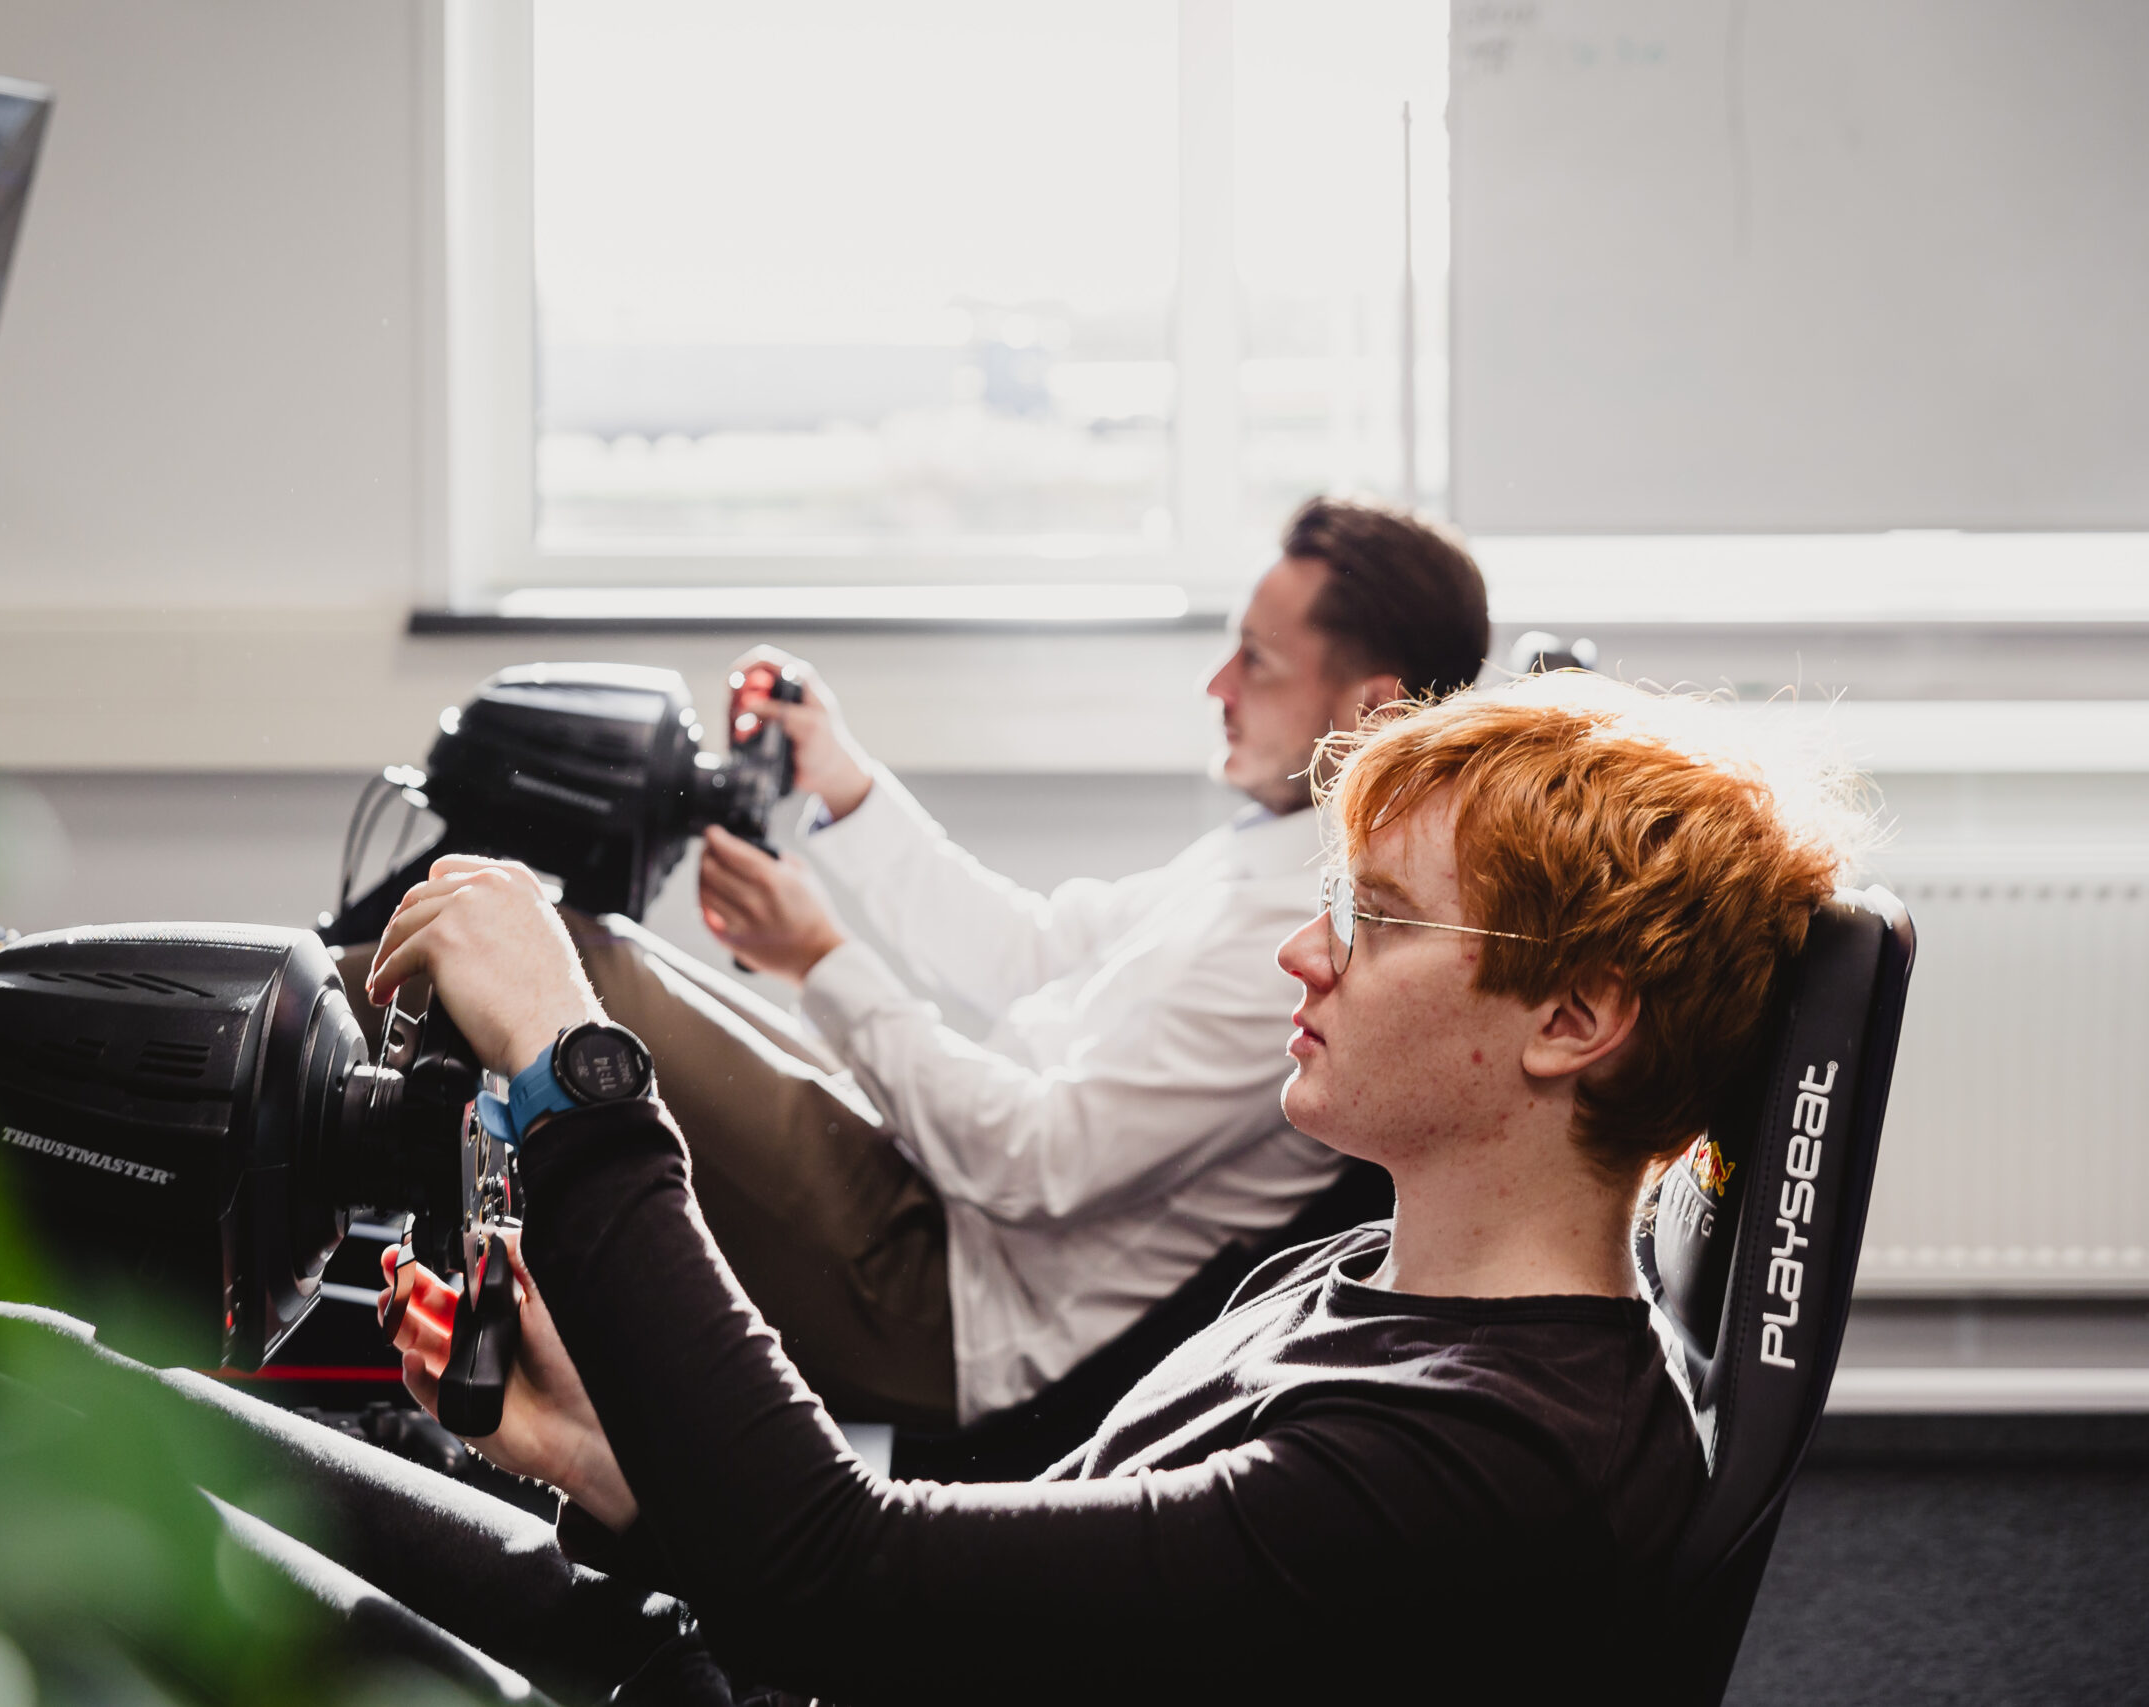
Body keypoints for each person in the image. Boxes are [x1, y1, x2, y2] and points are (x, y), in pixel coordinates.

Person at [360, 671, 1865, 1701]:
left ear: (1571, 1019)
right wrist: (623, 1466)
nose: (1308, 951)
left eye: (1382, 921)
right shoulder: (1348, 1285)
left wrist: (574, 1070)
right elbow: (974, 1578)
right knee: (223, 1460)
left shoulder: (1486, 1461)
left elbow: (838, 1576)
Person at [559, 495, 1492, 1428]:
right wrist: (842, 781)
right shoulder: (1273, 844)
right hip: (935, 1197)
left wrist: (822, 960)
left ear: (1372, 706)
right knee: (586, 964)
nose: (1218, 685)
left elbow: (1035, 1164)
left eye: (1257, 660)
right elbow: (1033, 948)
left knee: (580, 969)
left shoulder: (1298, 935)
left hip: (946, 1291)